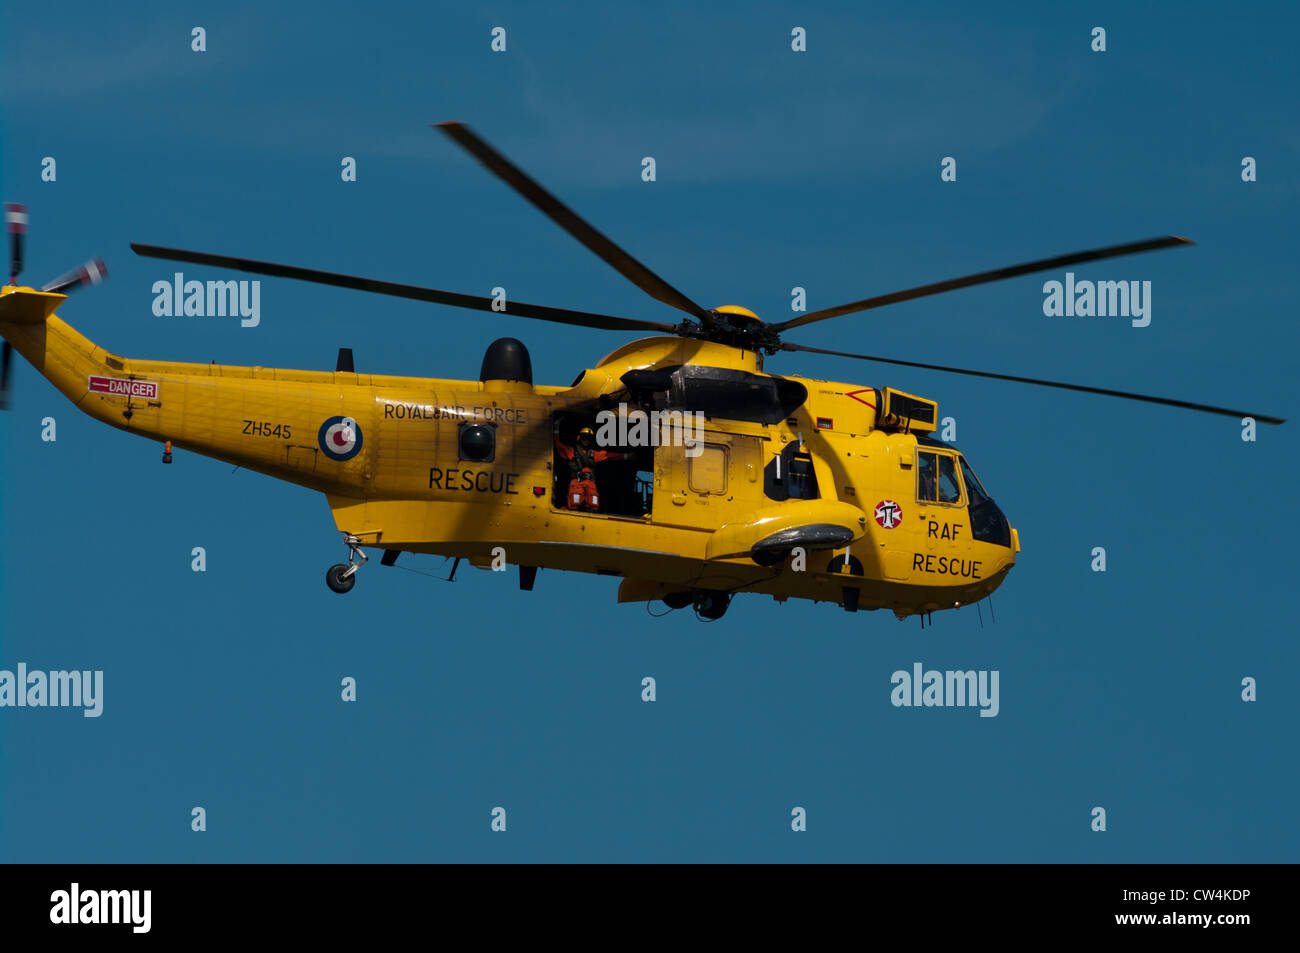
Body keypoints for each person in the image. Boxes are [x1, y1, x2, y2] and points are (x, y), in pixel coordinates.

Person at [553, 423, 627, 512]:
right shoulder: (571, 451)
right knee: (573, 505)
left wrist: (626, 456)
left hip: (590, 483)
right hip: (577, 482)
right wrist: (556, 429)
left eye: (588, 438)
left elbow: (609, 455)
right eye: (584, 437)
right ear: (580, 438)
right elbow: (558, 445)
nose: (586, 440)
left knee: (593, 506)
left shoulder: (594, 454)